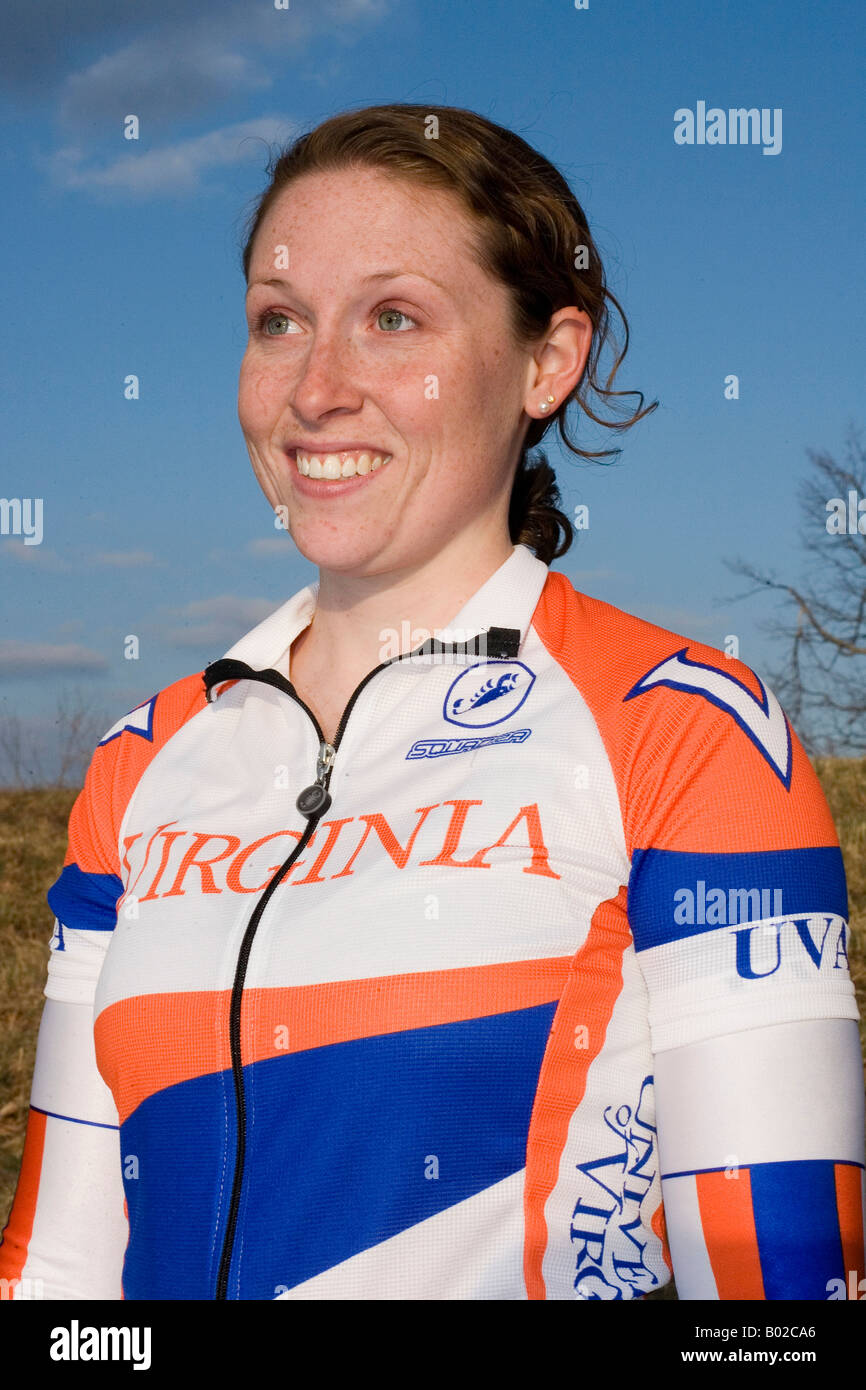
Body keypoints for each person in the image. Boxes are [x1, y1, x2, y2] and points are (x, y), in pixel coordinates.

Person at [1, 102, 863, 1302]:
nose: (315, 388)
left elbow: (781, 1294)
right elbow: (56, 1277)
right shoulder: (140, 760)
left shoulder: (679, 727)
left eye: (392, 318)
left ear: (544, 362)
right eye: (279, 321)